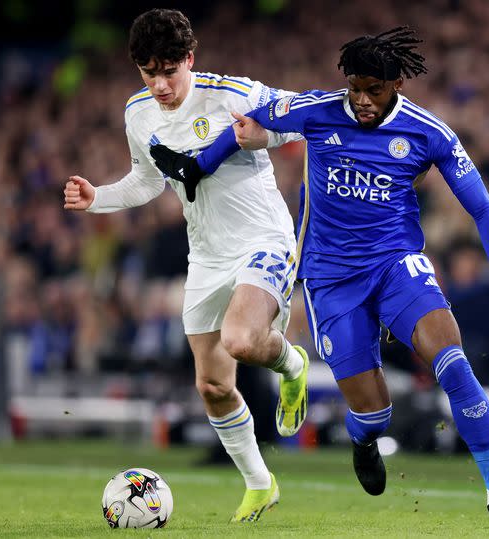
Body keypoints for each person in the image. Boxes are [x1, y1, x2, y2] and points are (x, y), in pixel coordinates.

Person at [149, 27, 489, 529]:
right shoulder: (318, 110)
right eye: (356, 88)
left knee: (454, 364)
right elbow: (250, 123)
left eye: (375, 90)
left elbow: (482, 208)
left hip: (397, 266)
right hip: (330, 281)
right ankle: (364, 438)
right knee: (375, 414)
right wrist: (200, 167)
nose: (363, 100)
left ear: (397, 85)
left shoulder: (429, 132)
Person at [62, 8, 310, 523]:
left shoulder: (232, 93)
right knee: (213, 386)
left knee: (242, 340)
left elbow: (296, 122)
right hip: (207, 254)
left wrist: (261, 136)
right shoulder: (138, 113)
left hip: (264, 238)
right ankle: (260, 484)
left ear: (189, 59)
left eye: (169, 71)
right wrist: (98, 197)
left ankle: (293, 365)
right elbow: (148, 180)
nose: (160, 84)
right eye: (148, 73)